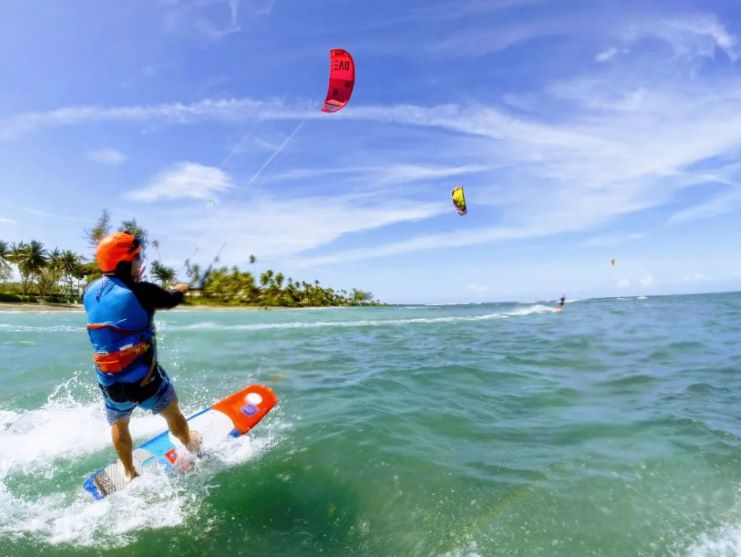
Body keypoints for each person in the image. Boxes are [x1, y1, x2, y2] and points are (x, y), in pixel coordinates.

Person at [83, 231, 200, 482]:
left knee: (119, 424)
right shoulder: (142, 291)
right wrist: (180, 287)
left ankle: (128, 472)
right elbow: (170, 299)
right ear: (125, 263)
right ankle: (191, 445)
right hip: (145, 382)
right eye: (137, 258)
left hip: (110, 384)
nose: (140, 263)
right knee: (172, 410)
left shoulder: (88, 291)